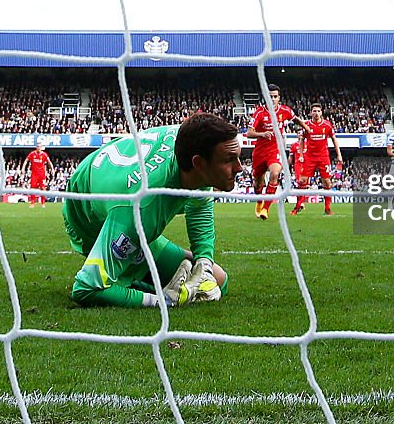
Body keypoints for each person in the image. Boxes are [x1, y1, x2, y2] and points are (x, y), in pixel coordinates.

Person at [63, 113, 240, 308]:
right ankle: (133, 281)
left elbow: (199, 209)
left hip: (117, 189)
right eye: (229, 160)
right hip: (88, 218)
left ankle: (138, 276)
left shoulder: (192, 144)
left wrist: (204, 265)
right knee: (102, 284)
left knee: (217, 280)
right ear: (198, 163)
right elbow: (85, 289)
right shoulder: (141, 208)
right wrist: (160, 302)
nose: (239, 168)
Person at [246, 84, 308, 220]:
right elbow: (249, 133)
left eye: (275, 96)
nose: (272, 99)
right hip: (260, 152)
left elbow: (295, 119)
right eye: (270, 96)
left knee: (275, 173)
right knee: (258, 183)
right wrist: (262, 134)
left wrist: (306, 127)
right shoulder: (259, 113)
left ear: (279, 98)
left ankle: (266, 209)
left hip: (275, 150)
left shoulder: (285, 111)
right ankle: (259, 201)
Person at [291, 103, 343, 216]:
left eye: (318, 111)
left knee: (327, 182)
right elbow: (301, 140)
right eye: (314, 111)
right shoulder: (306, 125)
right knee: (302, 181)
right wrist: (300, 154)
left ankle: (327, 208)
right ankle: (297, 206)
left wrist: (339, 155)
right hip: (309, 157)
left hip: (323, 157)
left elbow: (334, 139)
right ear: (310, 113)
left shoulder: (327, 125)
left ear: (321, 112)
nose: (316, 113)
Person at [21, 142, 54, 208]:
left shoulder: (44, 154)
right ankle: (32, 203)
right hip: (34, 174)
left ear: (41, 148)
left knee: (43, 188)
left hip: (42, 174)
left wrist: (52, 169)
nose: (39, 148)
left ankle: (43, 203)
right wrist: (23, 168)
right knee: (33, 188)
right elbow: (26, 160)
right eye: (38, 146)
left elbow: (49, 162)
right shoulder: (32, 154)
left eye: (40, 147)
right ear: (36, 147)